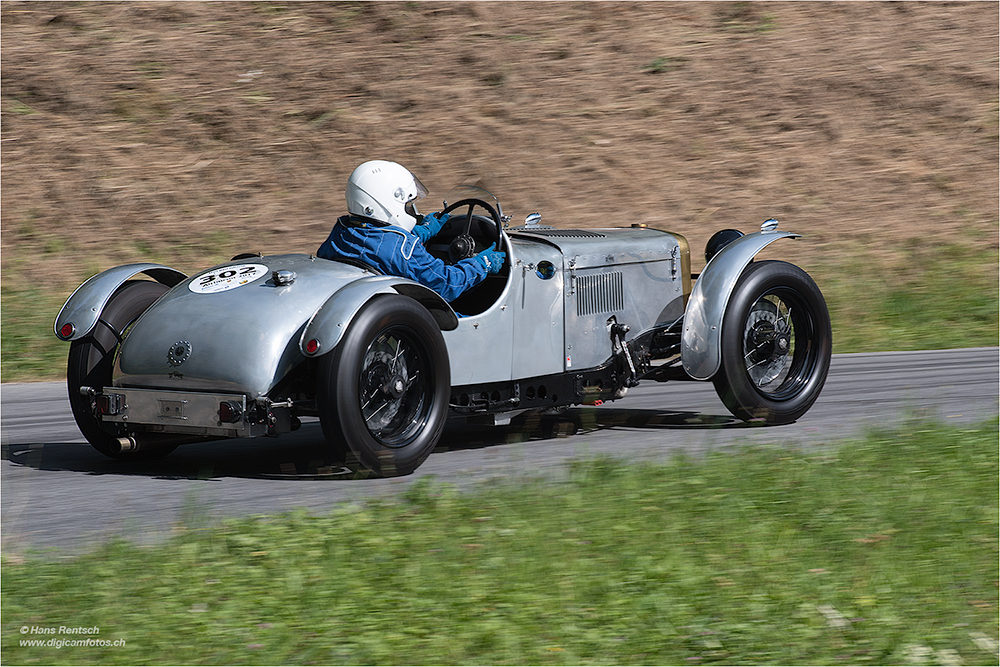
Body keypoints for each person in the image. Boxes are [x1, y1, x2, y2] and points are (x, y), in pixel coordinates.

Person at [317, 160, 505, 303]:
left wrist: (422, 232)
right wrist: (482, 263)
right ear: (387, 203)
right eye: (408, 204)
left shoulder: (341, 233)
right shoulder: (405, 249)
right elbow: (446, 284)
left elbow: (377, 246)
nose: (411, 210)